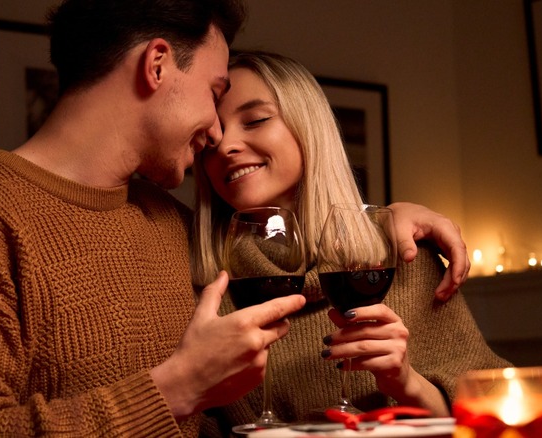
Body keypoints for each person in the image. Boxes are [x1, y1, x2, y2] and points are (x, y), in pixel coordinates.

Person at [0, 1, 471, 436]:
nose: (217, 134)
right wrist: (176, 389)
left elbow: (295, 243)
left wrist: (385, 220)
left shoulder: (173, 225)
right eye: (214, 92)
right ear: (157, 65)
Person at [191, 51, 511, 434]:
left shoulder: (401, 254)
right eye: (211, 137)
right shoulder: (202, 286)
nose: (226, 146)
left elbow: (498, 411)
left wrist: (407, 383)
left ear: (308, 126)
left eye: (256, 120)